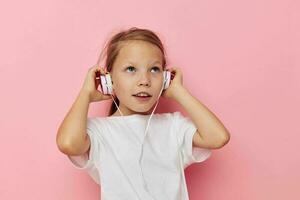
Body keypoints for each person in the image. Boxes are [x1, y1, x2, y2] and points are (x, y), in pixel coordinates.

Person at [56, 27, 230, 200]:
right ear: (109, 80)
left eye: (154, 70)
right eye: (131, 69)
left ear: (166, 78)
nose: (145, 81)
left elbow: (218, 137)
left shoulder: (173, 126)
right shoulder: (100, 132)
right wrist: (85, 94)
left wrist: (179, 92)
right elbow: (68, 143)